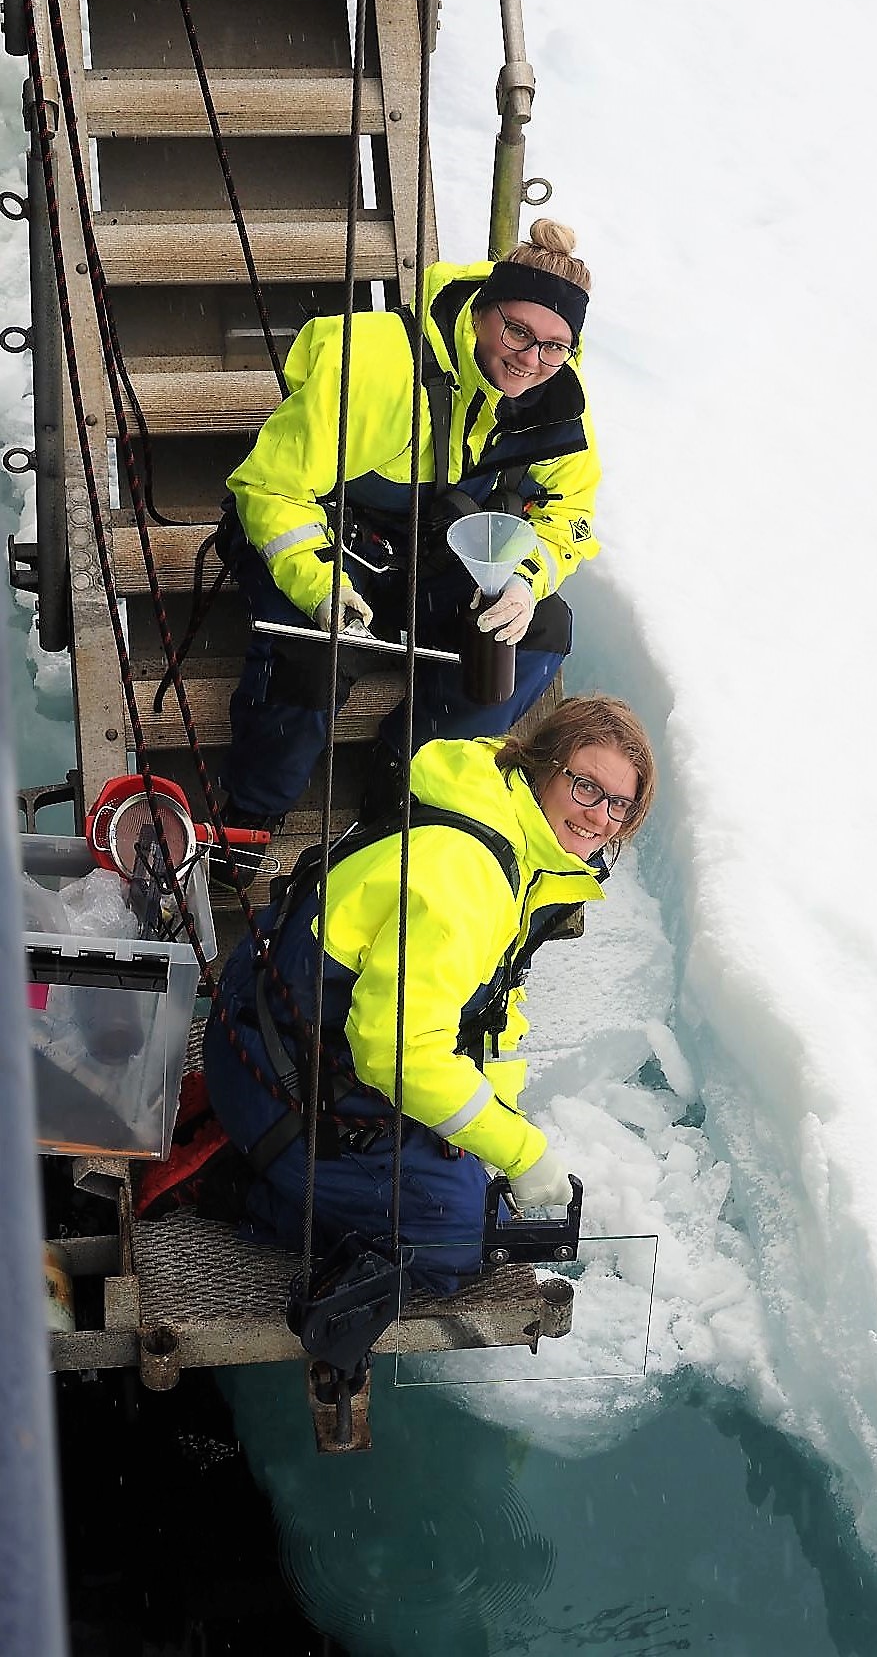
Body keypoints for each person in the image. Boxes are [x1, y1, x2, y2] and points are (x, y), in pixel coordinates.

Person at [201, 695, 656, 1296]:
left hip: (287, 1035)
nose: (600, 817)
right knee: (460, 1238)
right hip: (273, 1079)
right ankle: (251, 1193)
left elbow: (489, 1007)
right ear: (544, 767)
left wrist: (494, 1121)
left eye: (619, 805)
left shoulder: (510, 837)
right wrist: (520, 1151)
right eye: (586, 787)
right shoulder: (466, 873)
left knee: (470, 1183)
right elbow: (396, 1052)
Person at [213, 218, 602, 838]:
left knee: (546, 630)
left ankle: (411, 779)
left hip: (435, 568)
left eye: (555, 347)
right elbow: (269, 487)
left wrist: (524, 582)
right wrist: (321, 586)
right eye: (517, 331)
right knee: (306, 659)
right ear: (483, 310)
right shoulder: (372, 365)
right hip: (331, 555)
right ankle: (250, 818)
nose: (531, 361)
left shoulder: (558, 403)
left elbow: (570, 516)